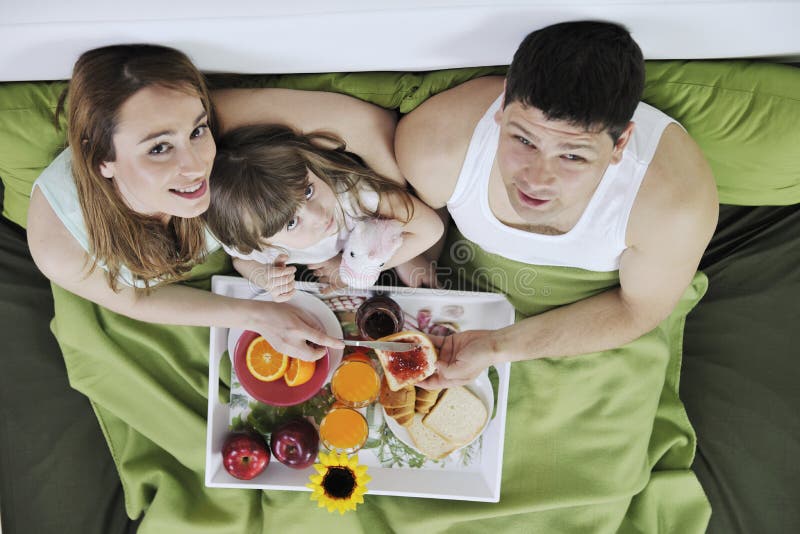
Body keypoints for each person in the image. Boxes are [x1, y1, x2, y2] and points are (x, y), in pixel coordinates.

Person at [25, 44, 406, 360]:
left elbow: (362, 123)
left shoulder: (213, 122)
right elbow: (136, 301)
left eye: (197, 130)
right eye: (159, 148)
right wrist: (260, 316)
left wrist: (399, 215)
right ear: (101, 159)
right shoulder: (57, 242)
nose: (196, 167)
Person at [394, 21, 719, 386]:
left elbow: (635, 311)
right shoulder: (435, 147)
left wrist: (496, 347)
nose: (536, 179)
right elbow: (417, 228)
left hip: (600, 317)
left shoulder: (675, 205)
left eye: (572, 157)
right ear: (502, 106)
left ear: (621, 143)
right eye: (524, 140)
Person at [203, 124, 444, 301]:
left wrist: (349, 269)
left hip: (368, 235)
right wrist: (264, 277)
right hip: (339, 257)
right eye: (292, 223)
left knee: (417, 263)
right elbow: (241, 260)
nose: (319, 216)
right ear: (261, 242)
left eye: (308, 191)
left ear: (307, 163)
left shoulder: (354, 197)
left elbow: (431, 229)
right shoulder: (257, 242)